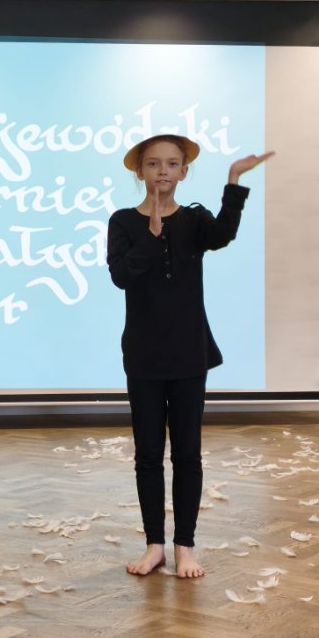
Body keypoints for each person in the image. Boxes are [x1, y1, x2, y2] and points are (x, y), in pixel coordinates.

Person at [107, 134, 273, 579]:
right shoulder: (122, 221)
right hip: (143, 355)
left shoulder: (195, 220)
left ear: (183, 171)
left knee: (187, 454)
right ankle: (154, 546)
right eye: (153, 163)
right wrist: (151, 235)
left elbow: (224, 235)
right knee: (147, 455)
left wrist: (234, 179)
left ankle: (185, 547)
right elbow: (121, 276)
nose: (162, 170)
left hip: (188, 354)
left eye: (172, 163)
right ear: (139, 171)